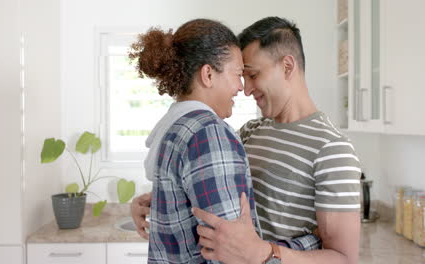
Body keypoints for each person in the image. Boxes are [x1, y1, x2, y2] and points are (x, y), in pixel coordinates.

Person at [133, 16, 361, 264]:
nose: (246, 89)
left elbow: (344, 259)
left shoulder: (332, 149)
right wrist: (161, 200)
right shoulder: (248, 132)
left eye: (251, 74)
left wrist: (264, 253)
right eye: (241, 75)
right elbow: (210, 192)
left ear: (287, 66)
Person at [128, 18, 258, 263]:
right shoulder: (209, 133)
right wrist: (308, 242)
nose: (241, 86)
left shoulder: (174, 129)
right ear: (208, 74)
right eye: (238, 74)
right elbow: (233, 253)